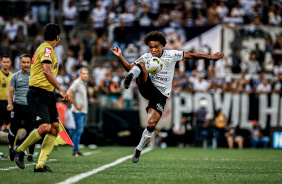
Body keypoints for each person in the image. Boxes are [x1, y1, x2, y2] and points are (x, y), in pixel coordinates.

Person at [110, 31, 224, 163]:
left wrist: (210, 57)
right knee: (139, 66)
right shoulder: (146, 57)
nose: (153, 50)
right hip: (147, 87)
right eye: (151, 47)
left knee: (151, 124)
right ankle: (130, 78)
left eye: (156, 47)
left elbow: (191, 55)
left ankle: (138, 149)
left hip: (161, 95)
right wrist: (120, 56)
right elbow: (129, 67)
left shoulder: (172, 54)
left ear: (162, 46)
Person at [13, 23, 69, 172]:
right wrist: (61, 90)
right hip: (37, 92)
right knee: (45, 127)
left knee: (54, 128)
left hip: (47, 94)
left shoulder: (44, 48)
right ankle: (20, 149)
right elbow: (46, 71)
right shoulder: (47, 49)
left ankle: (40, 165)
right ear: (57, 37)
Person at [7, 54, 36, 162]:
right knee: (13, 131)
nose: (26, 64)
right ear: (20, 63)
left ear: (30, 63)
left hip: (30, 107)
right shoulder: (15, 76)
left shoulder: (34, 75)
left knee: (32, 132)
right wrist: (10, 104)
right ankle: (11, 149)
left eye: (28, 62)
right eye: (23, 62)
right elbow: (10, 92)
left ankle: (30, 155)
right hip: (17, 106)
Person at [67, 67, 89, 156]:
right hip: (78, 111)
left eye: (87, 74)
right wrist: (76, 106)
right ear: (80, 74)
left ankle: (76, 149)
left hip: (83, 111)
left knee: (79, 131)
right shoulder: (77, 82)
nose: (85, 75)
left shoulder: (83, 83)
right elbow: (68, 93)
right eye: (84, 73)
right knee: (78, 131)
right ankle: (75, 150)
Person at [0, 55, 13, 132]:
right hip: (0, 102)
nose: (6, 64)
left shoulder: (12, 75)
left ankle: (10, 141)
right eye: (4, 62)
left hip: (9, 102)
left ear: (10, 63)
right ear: (1, 63)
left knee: (11, 122)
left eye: (7, 62)